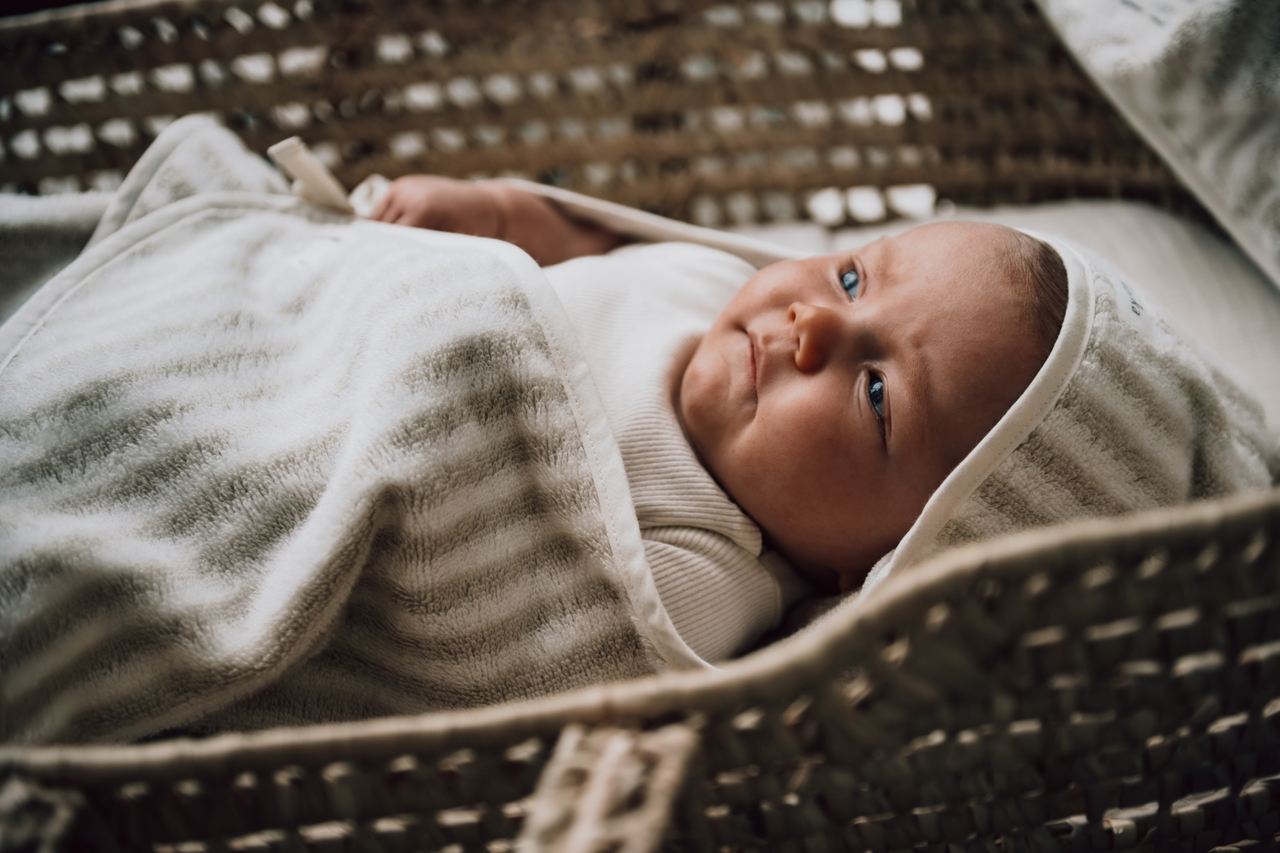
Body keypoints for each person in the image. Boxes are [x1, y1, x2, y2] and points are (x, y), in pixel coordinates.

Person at [371, 175, 1072, 657]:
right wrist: (493, 216)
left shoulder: (695, 584)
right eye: (852, 279)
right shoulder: (711, 283)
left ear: (876, 567)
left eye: (878, 395)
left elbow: (475, 649)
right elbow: (597, 250)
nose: (813, 322)